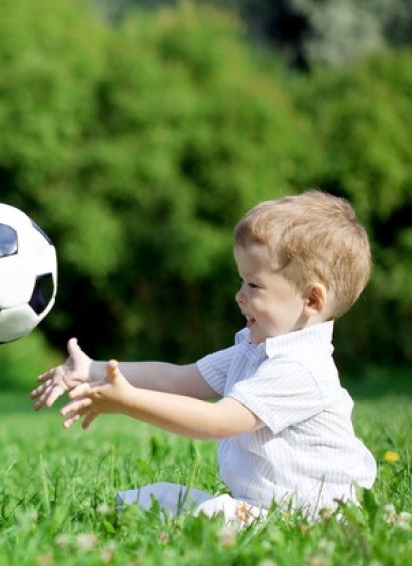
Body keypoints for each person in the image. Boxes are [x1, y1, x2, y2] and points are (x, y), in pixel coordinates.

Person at [30, 190, 377, 524]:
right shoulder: (255, 350)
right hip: (265, 507)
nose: (239, 296)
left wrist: (129, 402)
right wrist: (92, 369)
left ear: (312, 300)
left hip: (317, 516)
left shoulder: (299, 367)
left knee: (191, 513)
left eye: (253, 286)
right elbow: (179, 379)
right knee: (149, 500)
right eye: (241, 281)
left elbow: (218, 422)